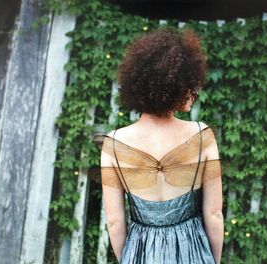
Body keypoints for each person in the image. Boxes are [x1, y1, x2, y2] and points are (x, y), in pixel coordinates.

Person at [99, 26, 224, 263]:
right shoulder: (201, 136)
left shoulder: (113, 144)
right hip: (193, 253)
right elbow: (214, 214)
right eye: (191, 84)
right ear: (175, 84)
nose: (194, 91)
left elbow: (114, 222)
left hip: (141, 253)